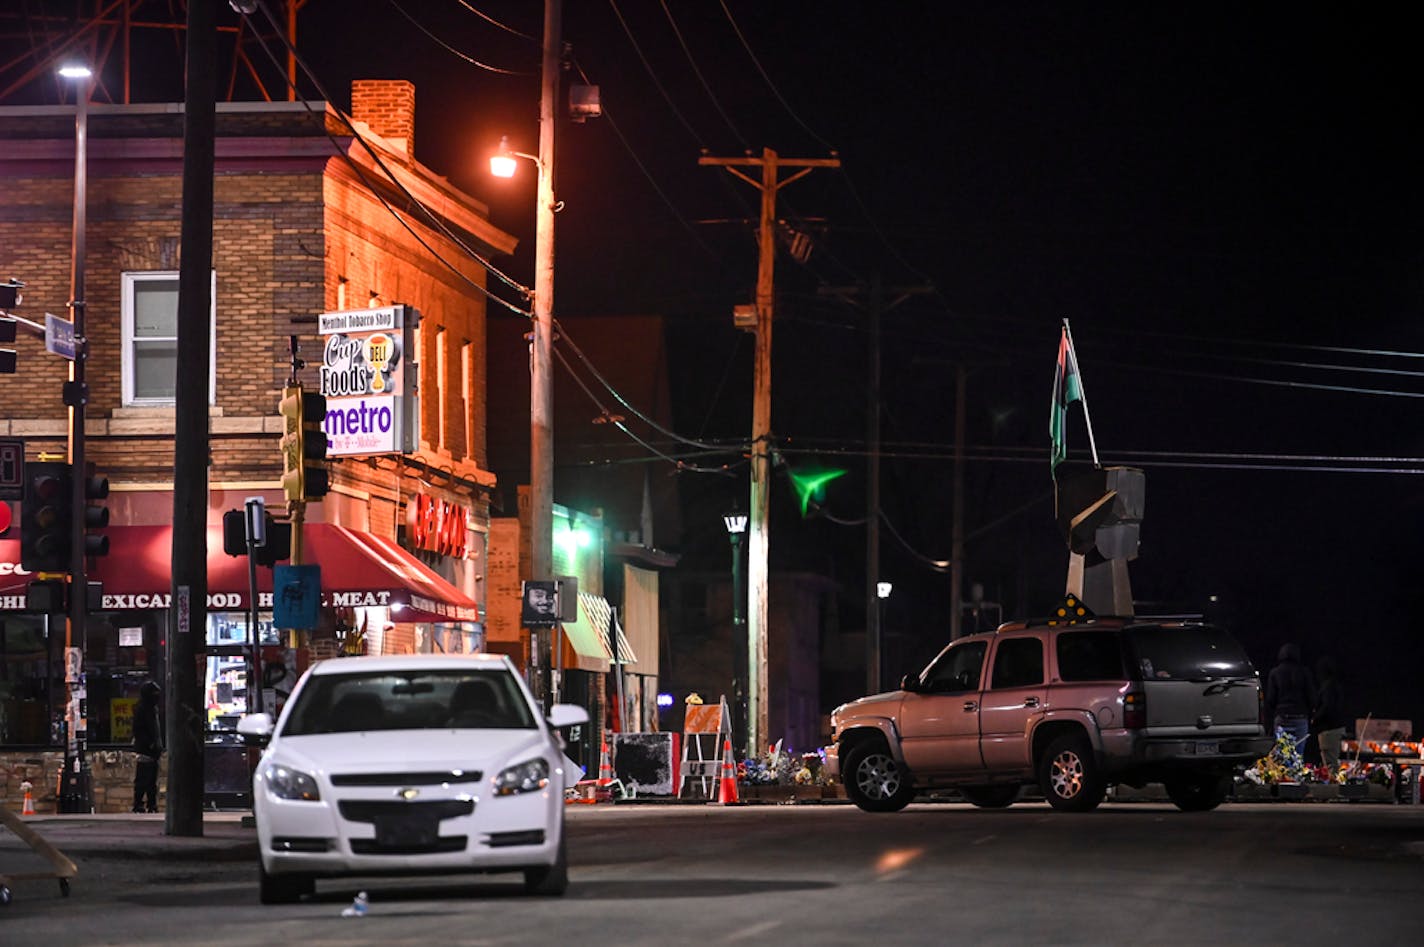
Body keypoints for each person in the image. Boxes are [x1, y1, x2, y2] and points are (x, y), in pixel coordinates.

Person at [1264, 643, 1316, 763]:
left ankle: (1282, 778)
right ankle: (1296, 778)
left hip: (1282, 717)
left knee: (1282, 754)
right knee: (1298, 754)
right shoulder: (1304, 672)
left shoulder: (1275, 673)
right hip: (1300, 717)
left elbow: (1270, 699)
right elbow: (1312, 697)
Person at [132, 680, 164, 813]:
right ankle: (139, 804)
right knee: (143, 779)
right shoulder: (143, 709)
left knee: (151, 780)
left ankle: (151, 804)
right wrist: (150, 743)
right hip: (146, 749)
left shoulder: (152, 709)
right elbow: (138, 730)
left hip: (152, 748)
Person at [1312, 656, 1346, 775]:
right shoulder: (1336, 685)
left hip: (1329, 729)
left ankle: (1332, 790)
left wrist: (1315, 718)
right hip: (1336, 727)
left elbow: (1327, 706)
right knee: (1333, 761)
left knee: (1330, 763)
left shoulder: (1327, 687)